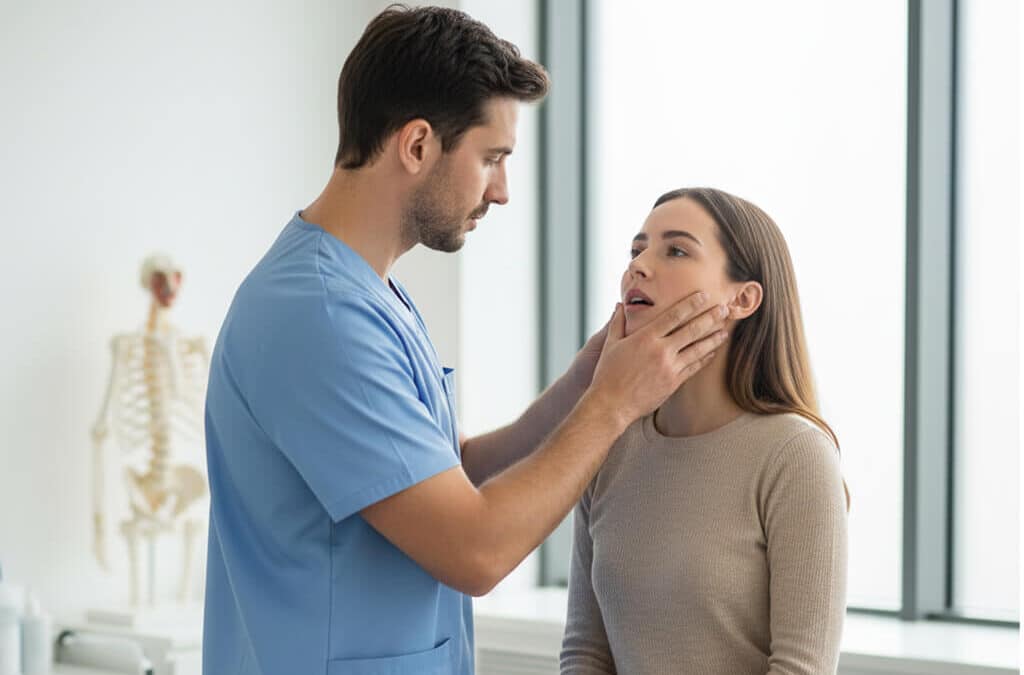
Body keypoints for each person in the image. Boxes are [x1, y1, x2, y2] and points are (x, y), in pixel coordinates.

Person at [202, 7, 729, 675]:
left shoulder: (368, 294)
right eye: (491, 159)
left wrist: (586, 380)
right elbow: (475, 549)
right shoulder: (319, 315)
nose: (503, 192)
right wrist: (615, 403)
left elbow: (447, 475)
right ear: (418, 144)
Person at [561, 187, 849, 675]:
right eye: (637, 249)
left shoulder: (795, 456)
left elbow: (801, 669)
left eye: (675, 250)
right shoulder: (610, 445)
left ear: (743, 298)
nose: (639, 266)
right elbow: (585, 653)